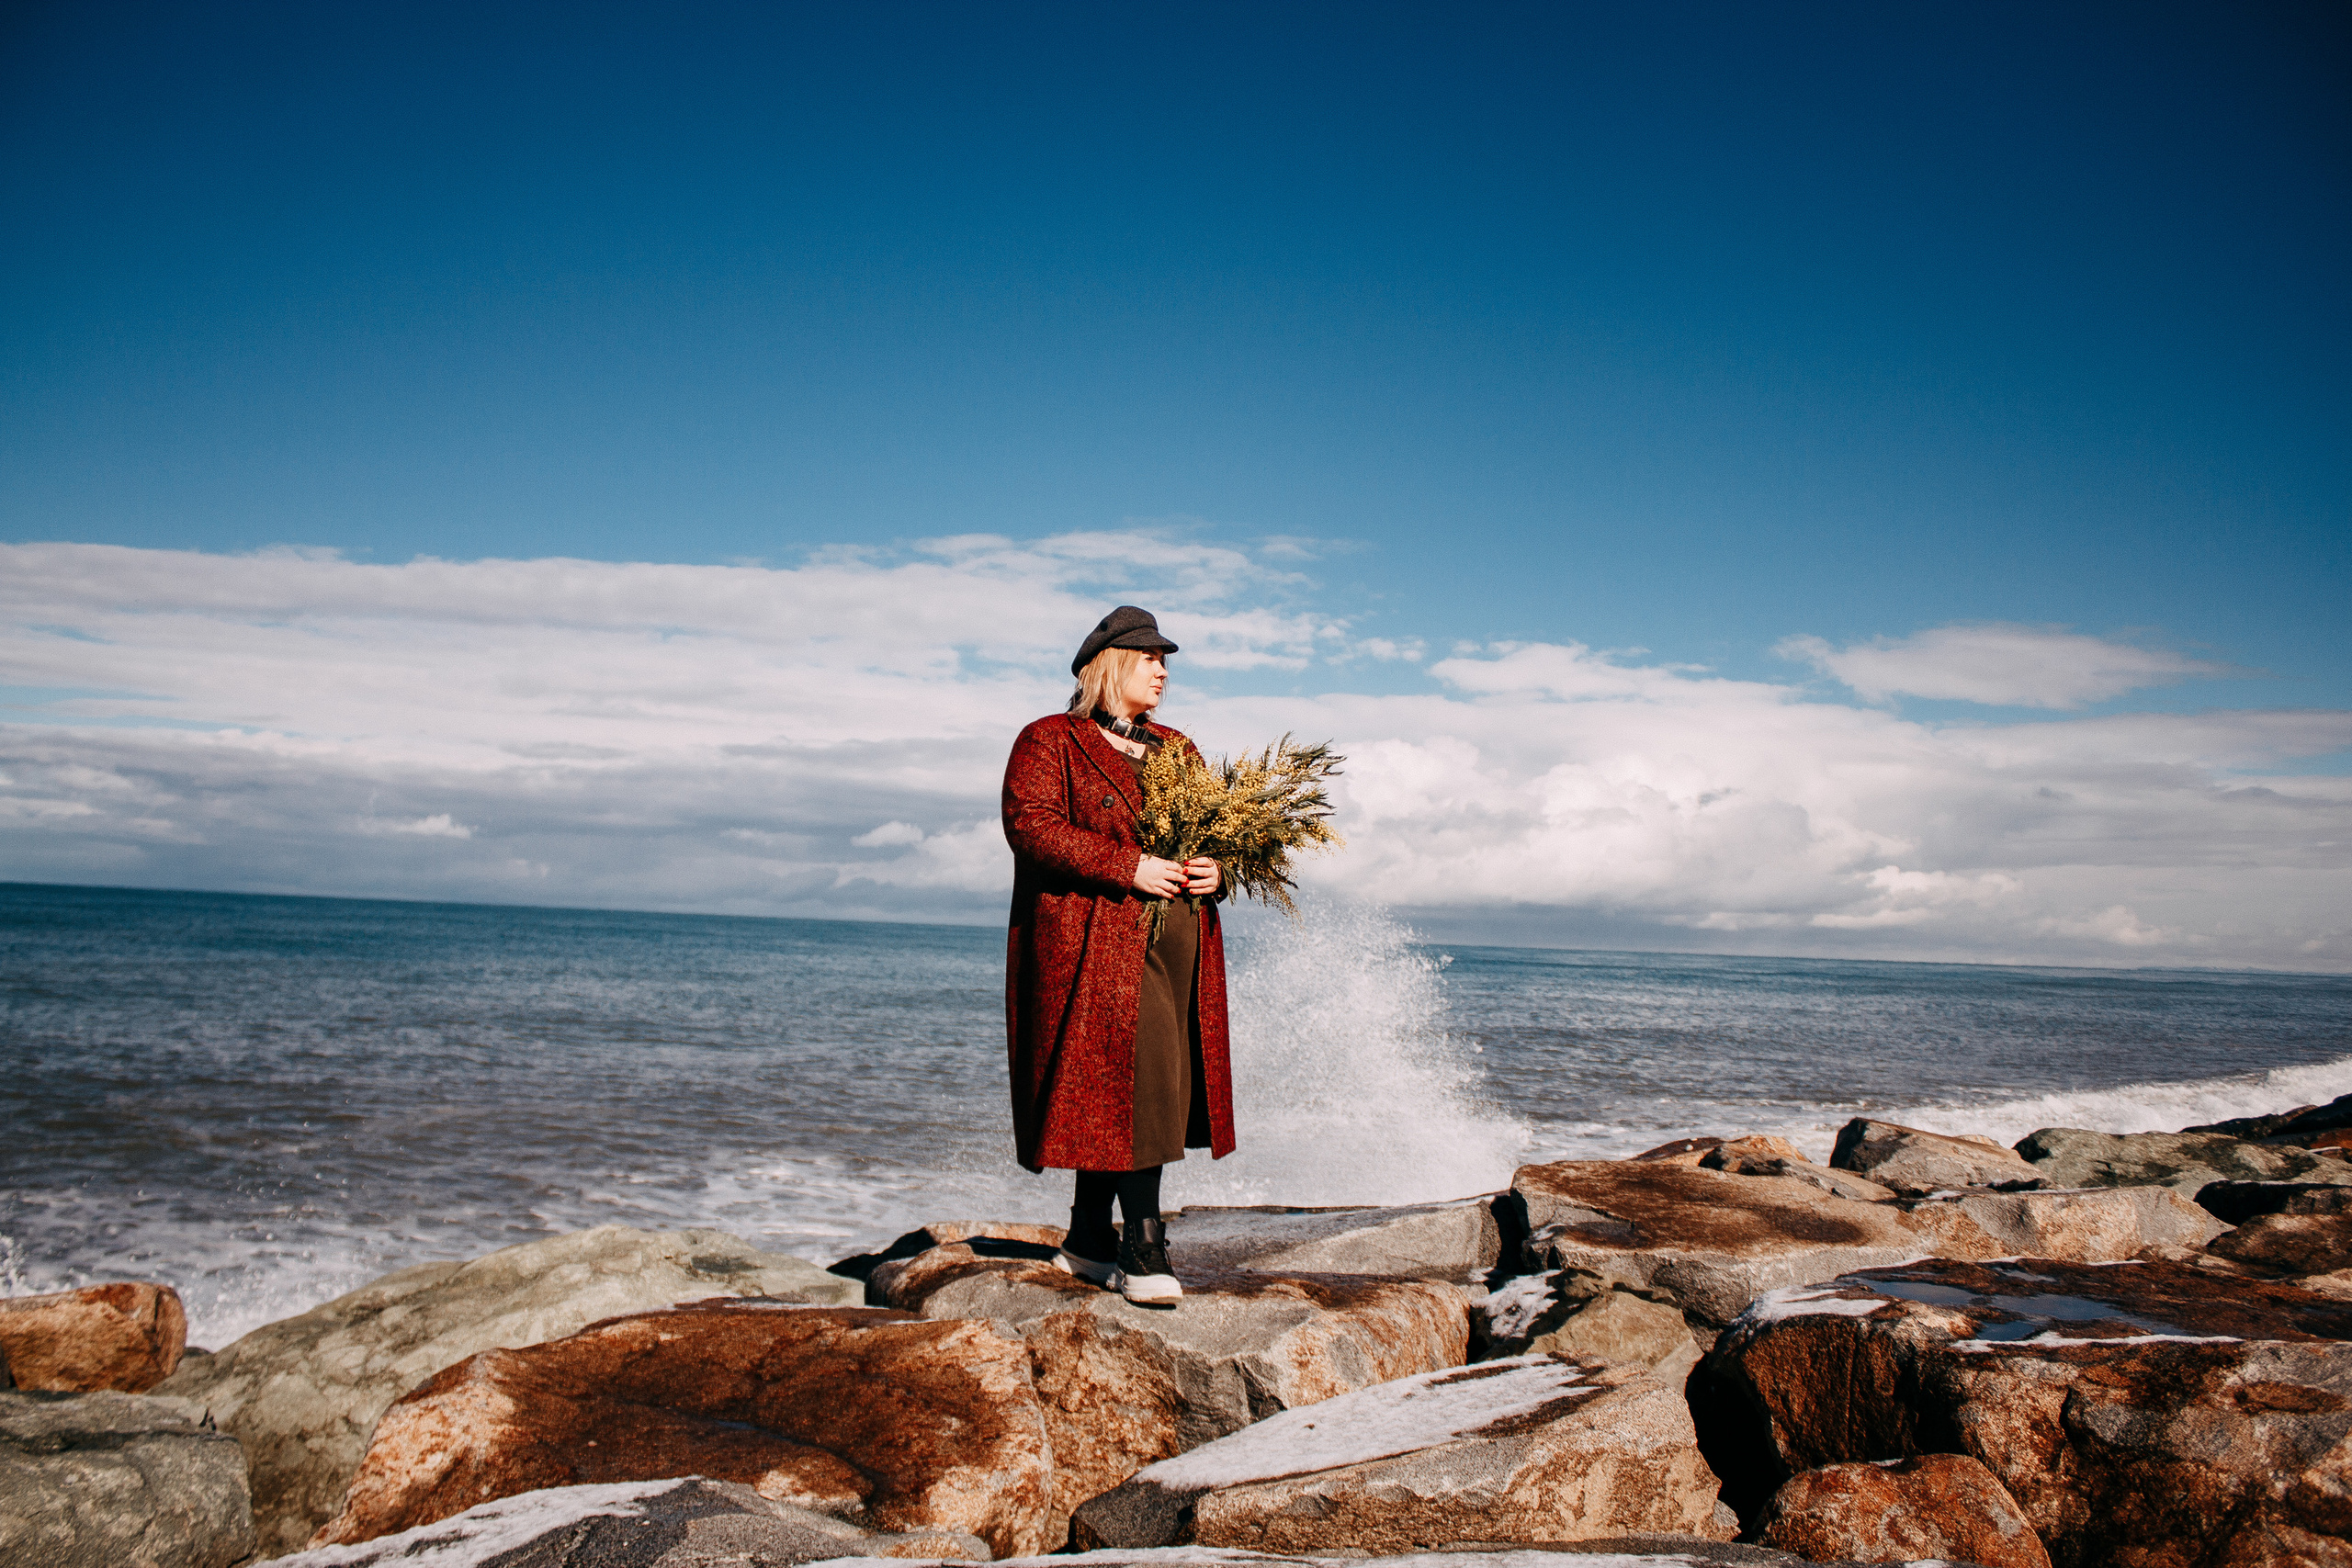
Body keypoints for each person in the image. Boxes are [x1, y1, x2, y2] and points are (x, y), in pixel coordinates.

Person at [1001, 605, 1234, 1304]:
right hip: (1092, 943)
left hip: (1176, 944)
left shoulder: (1179, 748)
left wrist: (1219, 868)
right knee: (1140, 1083)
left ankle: (1086, 1237)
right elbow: (1030, 825)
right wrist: (1127, 865)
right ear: (1109, 666)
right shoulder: (1050, 740)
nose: (1162, 671)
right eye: (1149, 658)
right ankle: (1143, 1245)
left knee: (1130, 1085)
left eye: (1166, 660)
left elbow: (1214, 831)